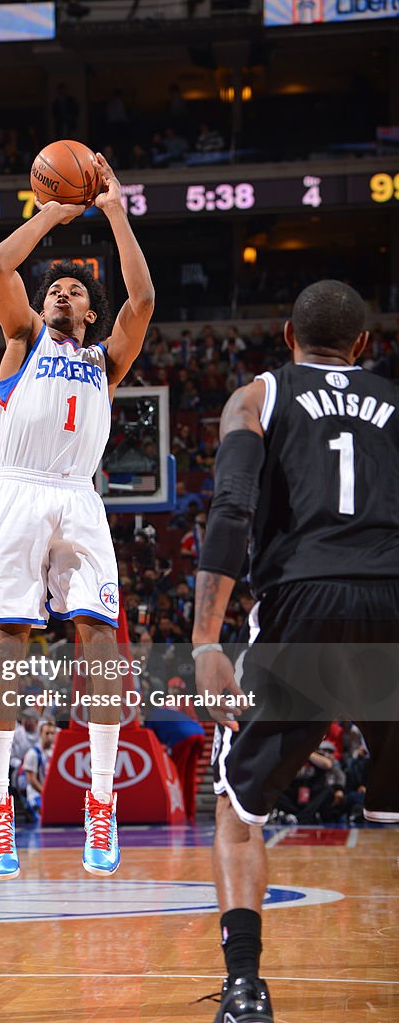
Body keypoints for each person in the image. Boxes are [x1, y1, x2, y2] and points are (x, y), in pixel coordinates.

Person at [191, 280, 399, 1023]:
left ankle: (245, 986)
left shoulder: (257, 397)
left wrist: (205, 638)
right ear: (364, 346)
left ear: (287, 336)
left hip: (306, 597)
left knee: (239, 807)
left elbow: (232, 512)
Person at [0, 152, 154, 879]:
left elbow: (141, 303)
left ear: (90, 313)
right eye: (55, 286)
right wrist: (53, 208)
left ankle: (102, 801)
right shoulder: (21, 341)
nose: (62, 290)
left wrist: (112, 208)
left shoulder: (108, 361)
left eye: (75, 289)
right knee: (9, 644)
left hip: (79, 493)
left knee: (101, 642)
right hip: (17, 490)